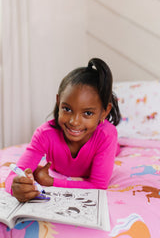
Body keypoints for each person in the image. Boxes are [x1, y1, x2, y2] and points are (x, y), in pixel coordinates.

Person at [5, 58, 121, 202]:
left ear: (104, 112)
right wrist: (16, 187)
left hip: (109, 145)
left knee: (116, 148)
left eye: (88, 113)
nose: (74, 121)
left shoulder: (106, 135)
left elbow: (98, 185)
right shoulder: (44, 134)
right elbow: (12, 177)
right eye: (67, 109)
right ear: (58, 102)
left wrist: (51, 182)